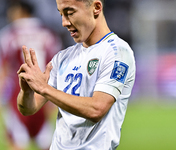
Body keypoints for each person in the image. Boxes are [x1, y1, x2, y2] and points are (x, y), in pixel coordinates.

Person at [17, 0, 136, 149]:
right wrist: (26, 91)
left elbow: (97, 109)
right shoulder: (63, 58)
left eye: (70, 13)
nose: (64, 23)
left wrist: (45, 89)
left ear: (96, 8)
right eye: (61, 14)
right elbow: (28, 109)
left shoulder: (117, 51)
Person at [0, 1, 61, 150]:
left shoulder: (10, 34)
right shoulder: (49, 34)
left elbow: (3, 69)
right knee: (47, 144)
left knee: (16, 144)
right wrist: (55, 99)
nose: (9, 14)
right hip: (44, 99)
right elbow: (57, 67)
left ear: (20, 11)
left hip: (19, 99)